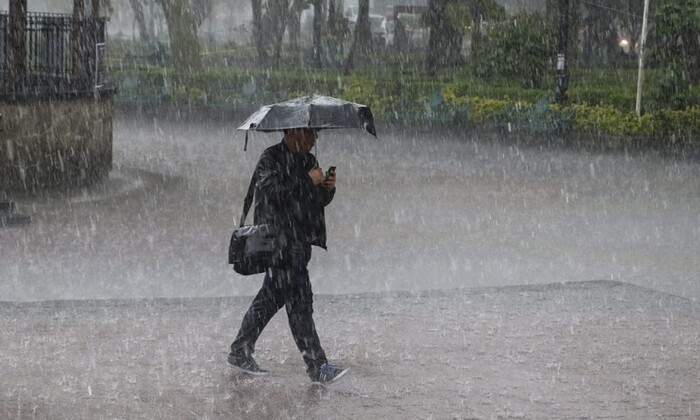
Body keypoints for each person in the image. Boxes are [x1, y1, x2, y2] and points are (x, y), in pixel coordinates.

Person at [228, 127, 349, 385]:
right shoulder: (270, 158)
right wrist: (307, 180)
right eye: (311, 133)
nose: (315, 139)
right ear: (294, 132)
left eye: (316, 134)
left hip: (299, 243)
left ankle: (240, 350)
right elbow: (272, 193)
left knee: (269, 300)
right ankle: (317, 365)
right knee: (300, 303)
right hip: (279, 244)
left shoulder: (309, 160)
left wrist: (326, 189)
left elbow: (313, 200)